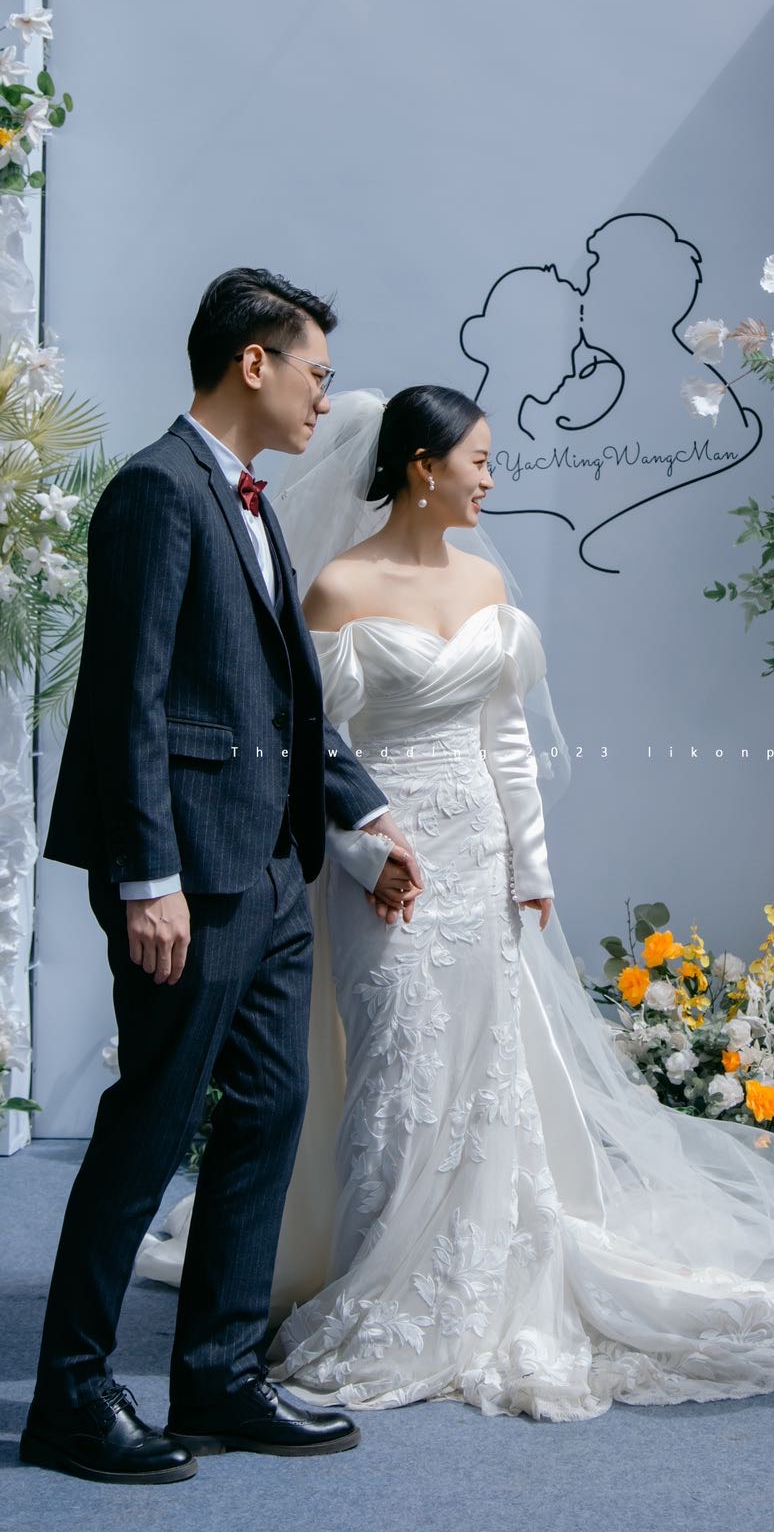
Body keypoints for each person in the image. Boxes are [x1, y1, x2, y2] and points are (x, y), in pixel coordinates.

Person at [141, 384, 774, 1422]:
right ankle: (384, 1277)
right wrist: (363, 855)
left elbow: (506, 740)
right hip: (387, 868)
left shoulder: (487, 583)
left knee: (488, 1072)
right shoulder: (337, 587)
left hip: (479, 859)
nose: (491, 480)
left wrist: (531, 872)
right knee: (399, 1069)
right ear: (424, 468)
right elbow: (306, 753)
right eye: (479, 461)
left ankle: (482, 1269)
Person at [21, 272, 422, 1486]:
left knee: (267, 1114)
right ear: (254, 362)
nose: (325, 398)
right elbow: (128, 700)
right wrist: (148, 878)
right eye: (315, 373)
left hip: (269, 870)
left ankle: (219, 1377)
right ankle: (71, 1399)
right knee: (149, 1129)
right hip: (186, 879)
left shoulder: (247, 499)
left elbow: (281, 698)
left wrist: (364, 811)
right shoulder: (157, 489)